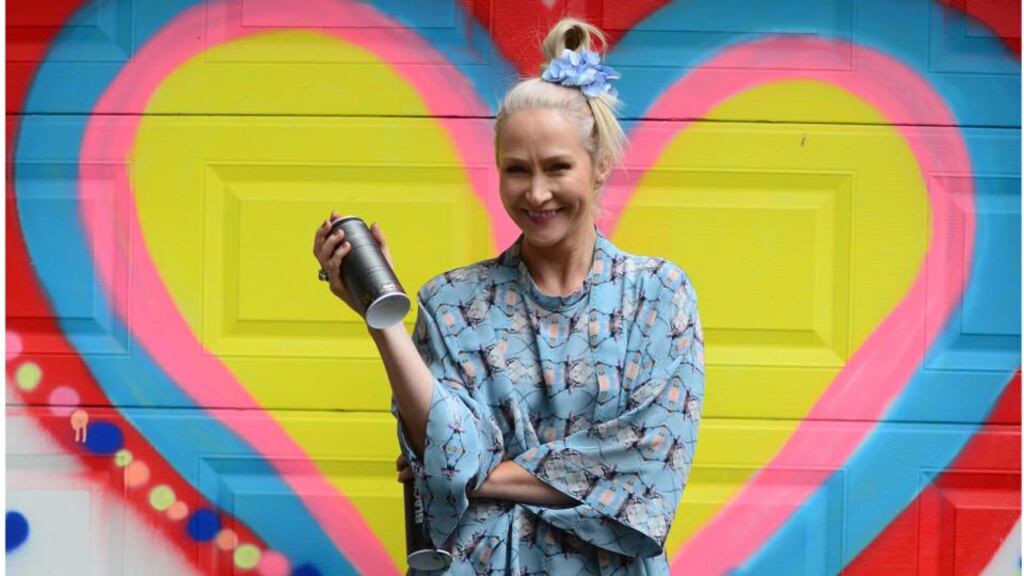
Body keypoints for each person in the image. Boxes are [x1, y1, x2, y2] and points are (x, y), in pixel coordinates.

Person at [311, 17, 705, 575]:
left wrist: (476, 473)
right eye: (517, 170)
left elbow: (648, 467)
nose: (537, 192)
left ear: (599, 169)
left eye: (558, 168)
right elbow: (448, 455)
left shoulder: (657, 297)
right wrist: (383, 323)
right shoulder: (451, 302)